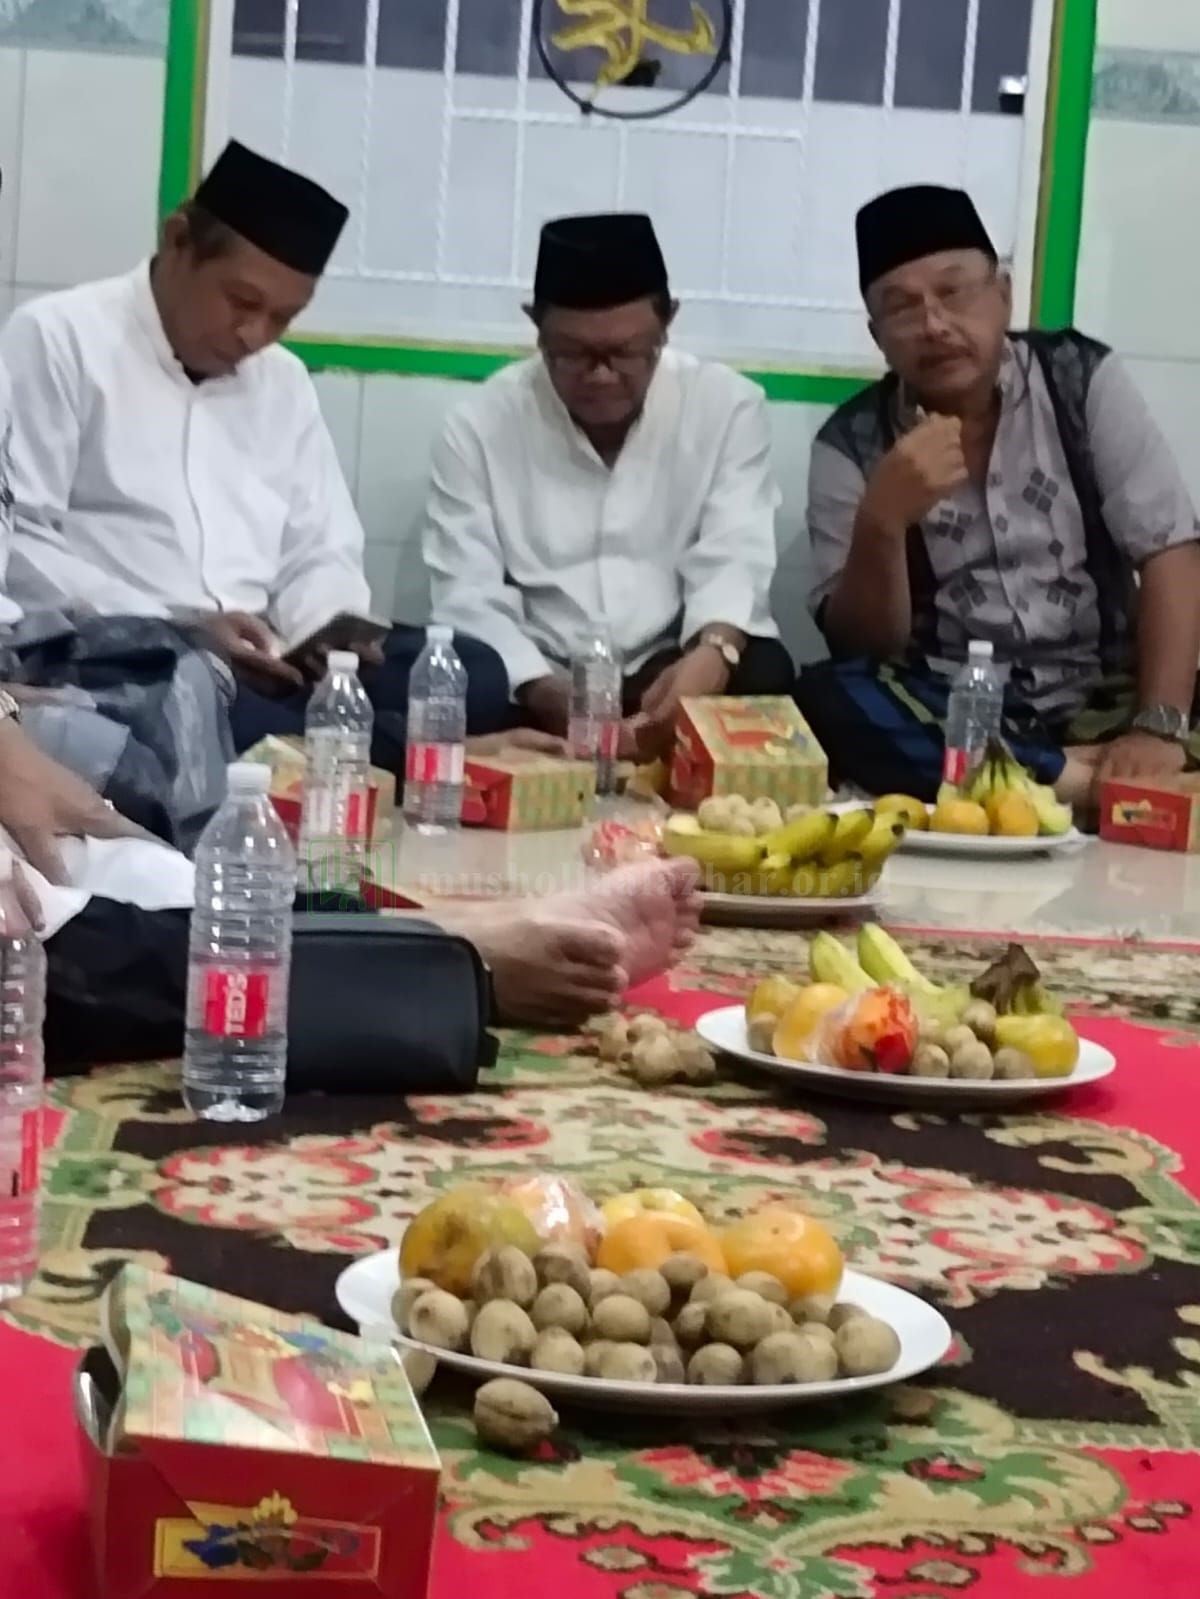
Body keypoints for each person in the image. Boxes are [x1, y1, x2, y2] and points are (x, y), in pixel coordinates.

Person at [0, 140, 513, 780]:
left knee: (474, 670)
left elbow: (320, 547)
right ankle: (360, 755)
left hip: (271, 659)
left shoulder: (283, 381)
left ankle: (307, 750)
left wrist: (327, 635)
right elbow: (21, 543)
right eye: (242, 303)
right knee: (190, 699)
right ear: (179, 241)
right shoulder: (60, 339)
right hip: (139, 651)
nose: (256, 335)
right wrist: (182, 625)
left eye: (283, 318)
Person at [793, 185, 1200, 804]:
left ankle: (1026, 781)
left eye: (954, 292)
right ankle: (1074, 781)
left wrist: (1158, 725)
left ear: (1003, 295)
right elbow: (862, 649)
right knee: (826, 696)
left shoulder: (1080, 379)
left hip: (1108, 695)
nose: (934, 325)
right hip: (956, 706)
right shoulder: (849, 445)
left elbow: (1169, 549)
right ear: (878, 337)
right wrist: (882, 521)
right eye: (902, 308)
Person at [424, 212, 794, 760]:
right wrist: (542, 688)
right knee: (457, 682)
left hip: (666, 662)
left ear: (667, 324)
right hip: (542, 670)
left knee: (764, 671)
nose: (600, 375)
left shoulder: (727, 407)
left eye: (624, 353)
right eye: (573, 354)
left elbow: (735, 556)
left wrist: (714, 651)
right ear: (536, 328)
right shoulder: (478, 425)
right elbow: (466, 591)